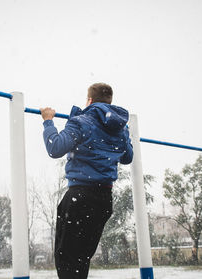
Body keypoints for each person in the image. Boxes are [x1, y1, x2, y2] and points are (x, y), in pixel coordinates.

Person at [40, 82, 133, 279]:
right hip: (104, 199)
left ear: (89, 100)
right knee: (81, 257)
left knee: (66, 258)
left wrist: (48, 121)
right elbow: (127, 157)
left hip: (79, 197)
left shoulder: (81, 122)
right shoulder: (119, 128)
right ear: (109, 101)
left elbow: (55, 148)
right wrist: (124, 135)